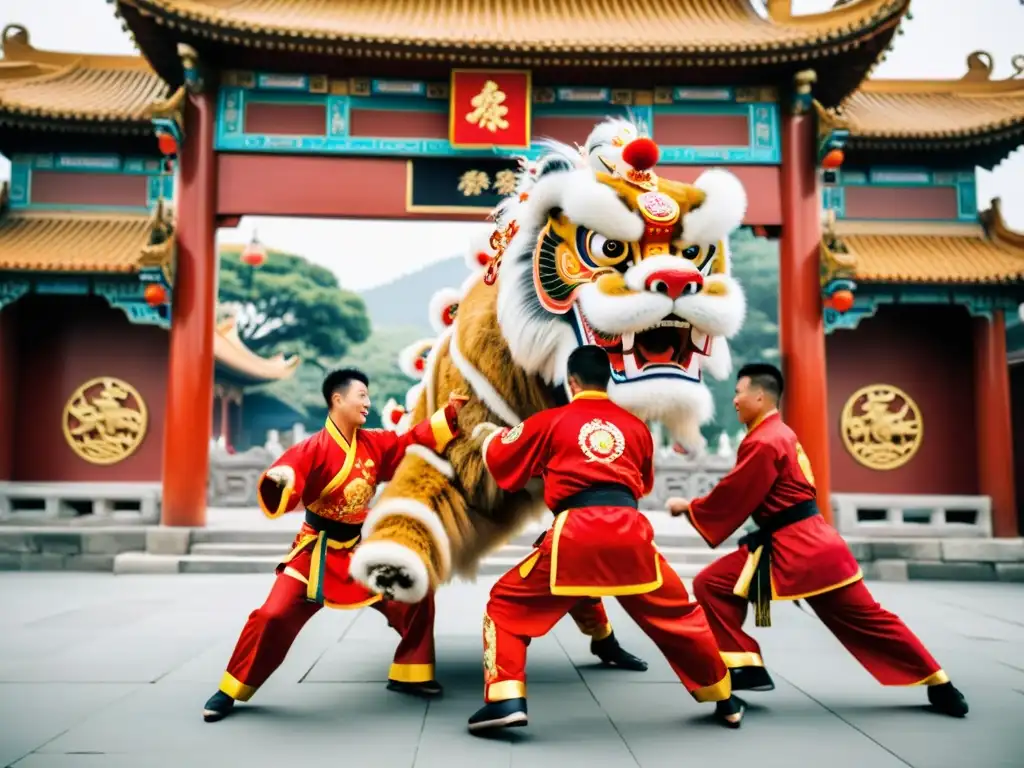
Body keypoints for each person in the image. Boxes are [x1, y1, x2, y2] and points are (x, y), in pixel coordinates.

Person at [668, 363, 969, 719]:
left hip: (793, 548)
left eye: (738, 392)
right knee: (870, 620)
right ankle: (941, 683)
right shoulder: (778, 433)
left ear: (760, 396)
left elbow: (736, 493)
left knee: (710, 584)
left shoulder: (765, 440)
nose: (734, 400)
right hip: (814, 545)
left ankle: (744, 666)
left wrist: (690, 507)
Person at [467, 345, 740, 734]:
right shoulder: (636, 427)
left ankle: (505, 699)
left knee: (504, 607)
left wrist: (487, 435)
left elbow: (499, 454)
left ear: (571, 382)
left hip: (575, 532)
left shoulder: (552, 420)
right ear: (607, 380)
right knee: (678, 614)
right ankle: (724, 697)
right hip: (631, 533)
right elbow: (642, 484)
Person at [202, 368, 467, 723]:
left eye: (368, 396)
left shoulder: (373, 443)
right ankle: (231, 688)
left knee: (416, 593)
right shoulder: (312, 448)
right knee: (273, 615)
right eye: (362, 395)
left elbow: (410, 442)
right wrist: (282, 479)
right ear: (337, 399)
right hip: (315, 552)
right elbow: (289, 471)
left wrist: (449, 413)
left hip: (358, 552)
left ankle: (411, 672)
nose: (367, 403)